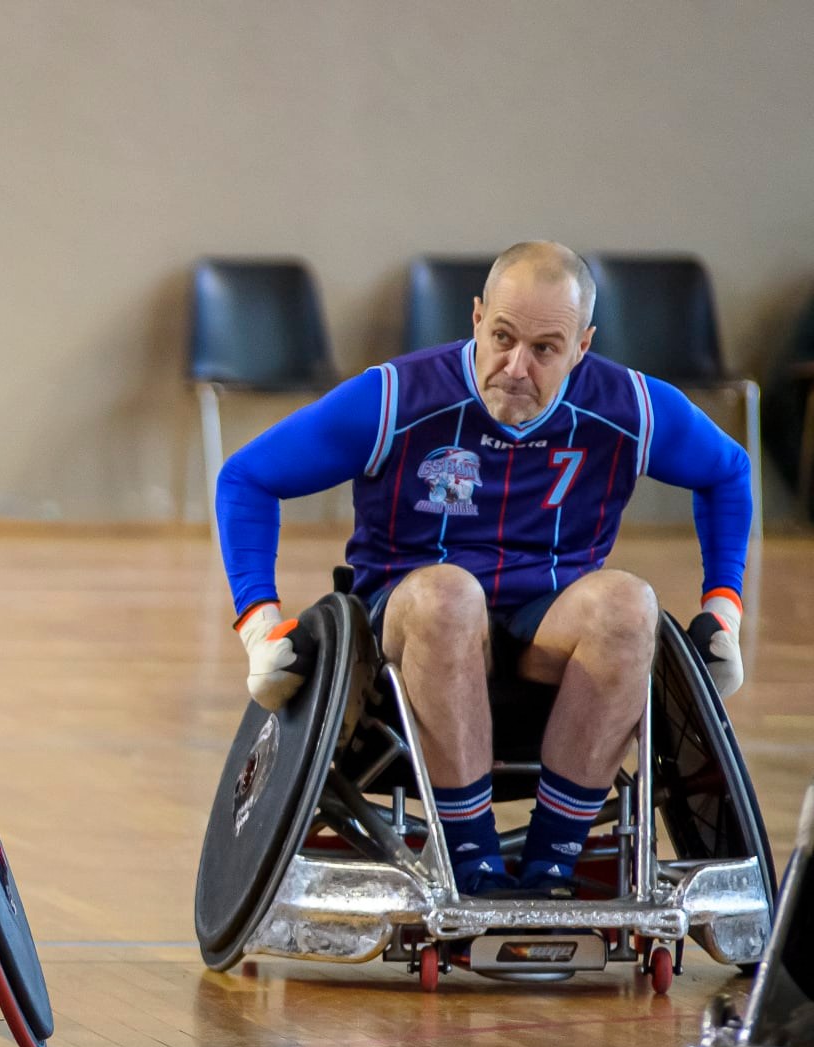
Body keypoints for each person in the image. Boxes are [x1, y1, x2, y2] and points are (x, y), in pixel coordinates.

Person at [216, 241, 751, 897]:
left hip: (545, 632)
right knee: (449, 595)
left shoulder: (629, 407)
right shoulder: (394, 397)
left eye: (544, 349)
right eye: (501, 337)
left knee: (628, 604)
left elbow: (727, 472)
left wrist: (722, 607)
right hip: (410, 622)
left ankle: (550, 866)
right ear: (475, 317)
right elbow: (245, 477)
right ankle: (470, 863)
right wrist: (257, 624)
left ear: (582, 346)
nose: (514, 366)